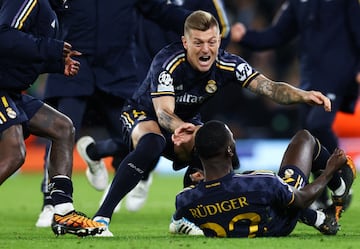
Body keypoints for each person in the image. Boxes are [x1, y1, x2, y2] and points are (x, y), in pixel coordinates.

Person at [89, 10, 355, 237]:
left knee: (206, 152)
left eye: (212, 42)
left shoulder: (228, 64)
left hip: (187, 121)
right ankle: (102, 218)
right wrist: (179, 126)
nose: (206, 49)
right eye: (198, 43)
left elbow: (269, 88)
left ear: (218, 41)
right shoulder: (167, 62)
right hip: (143, 114)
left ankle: (183, 218)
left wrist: (302, 95)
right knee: (153, 143)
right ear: (185, 42)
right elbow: (163, 113)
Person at [75, 0, 231, 214]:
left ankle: (104, 155)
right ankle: (129, 174)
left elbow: (223, 30)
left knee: (172, 138)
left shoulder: (205, 5)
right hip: (142, 68)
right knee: (141, 134)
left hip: (186, 75)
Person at [230, 0, 360, 210]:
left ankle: (342, 179)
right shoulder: (298, 3)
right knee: (309, 135)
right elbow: (277, 34)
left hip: (337, 74)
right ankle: (323, 195)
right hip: (309, 78)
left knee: (318, 125)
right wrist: (245, 36)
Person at [0, 0, 106, 236]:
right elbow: (4, 36)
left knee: (62, 127)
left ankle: (64, 212)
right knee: (14, 153)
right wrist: (52, 49)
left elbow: (22, 54)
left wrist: (58, 64)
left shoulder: (52, 8)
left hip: (12, 91)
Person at [169, 120, 356, 237]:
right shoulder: (262, 182)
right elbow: (301, 200)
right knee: (304, 139)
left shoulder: (184, 199)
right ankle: (338, 192)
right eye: (232, 138)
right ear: (229, 150)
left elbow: (181, 219)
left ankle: (318, 217)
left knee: (266, 194)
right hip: (277, 224)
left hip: (234, 221)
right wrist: (329, 171)